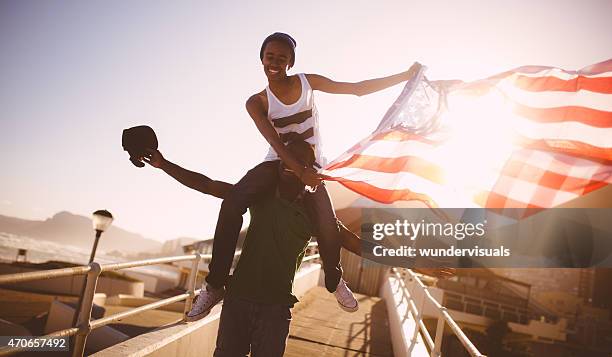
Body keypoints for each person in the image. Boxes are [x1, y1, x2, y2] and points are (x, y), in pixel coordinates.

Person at [185, 32, 424, 320]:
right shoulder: (256, 102)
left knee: (327, 224)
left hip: (311, 165)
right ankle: (214, 285)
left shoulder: (307, 83)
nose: (275, 62)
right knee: (233, 201)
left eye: (282, 58)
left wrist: (404, 76)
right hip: (278, 164)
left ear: (290, 62)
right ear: (262, 59)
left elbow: (356, 89)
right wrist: (299, 172)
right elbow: (274, 142)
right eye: (269, 56)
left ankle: (335, 282)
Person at [143, 141, 354, 356]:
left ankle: (335, 282)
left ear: (308, 171)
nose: (288, 165)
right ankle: (214, 287)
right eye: (286, 158)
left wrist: (390, 252)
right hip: (238, 300)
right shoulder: (261, 196)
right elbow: (208, 185)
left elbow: (352, 242)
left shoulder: (314, 217)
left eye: (297, 162)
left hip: (276, 308)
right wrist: (164, 164)